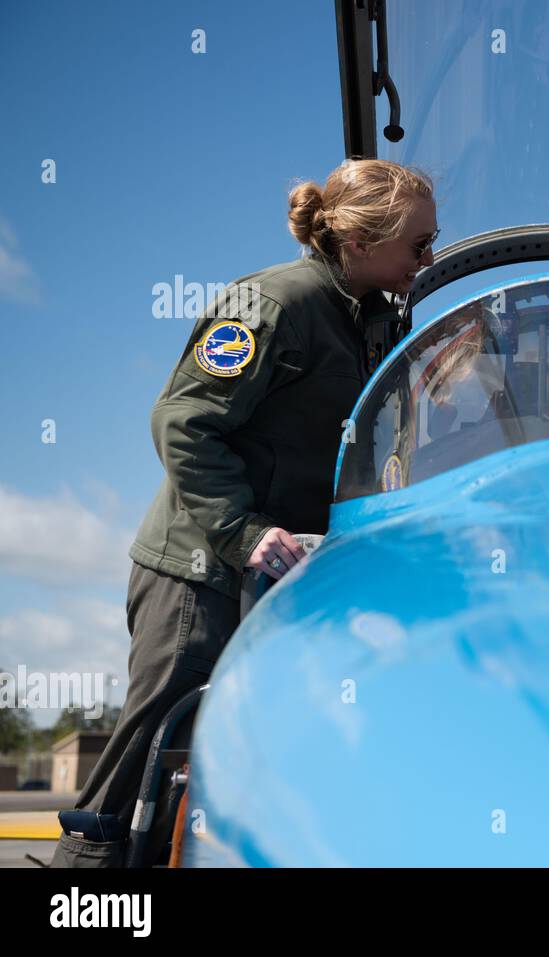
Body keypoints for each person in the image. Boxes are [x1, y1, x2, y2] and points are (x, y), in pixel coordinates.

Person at [50, 159, 439, 867]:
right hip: (196, 573)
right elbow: (182, 423)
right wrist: (245, 533)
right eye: (417, 245)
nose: (428, 259)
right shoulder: (274, 304)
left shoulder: (370, 325)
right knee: (142, 773)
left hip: (274, 579)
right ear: (358, 240)